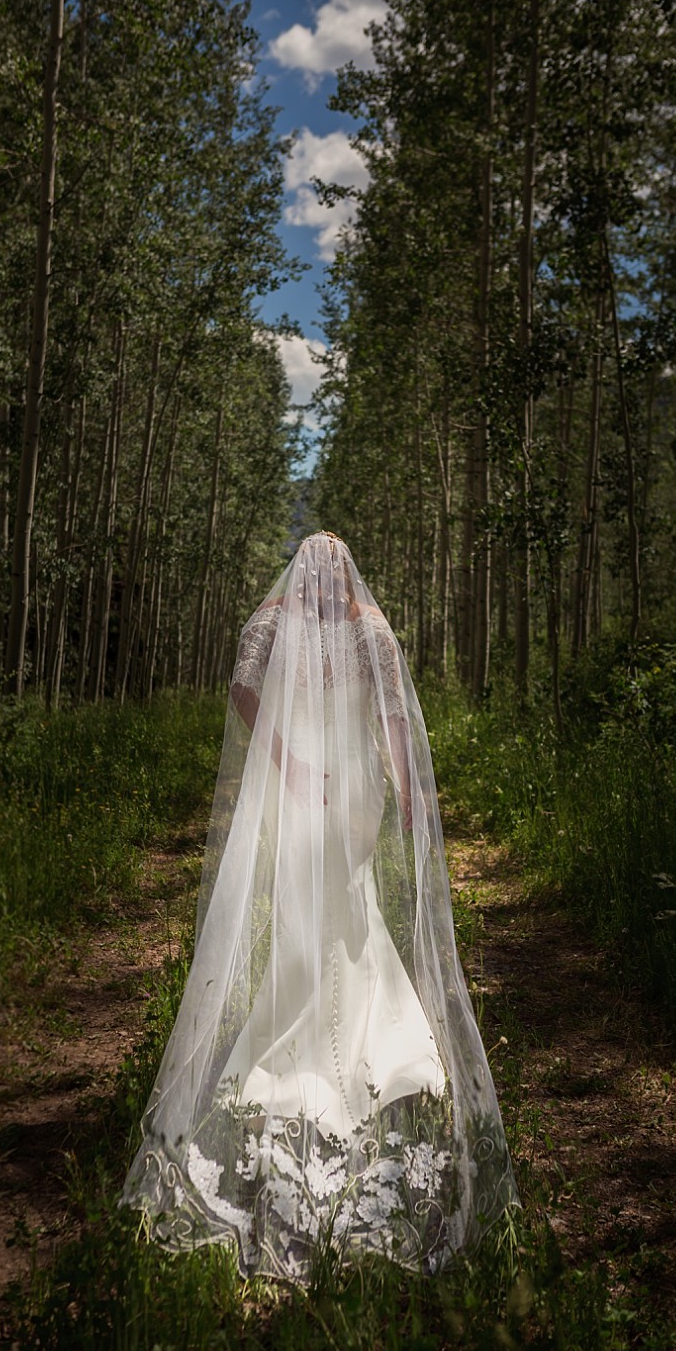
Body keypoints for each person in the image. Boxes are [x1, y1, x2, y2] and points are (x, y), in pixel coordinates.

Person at [121, 532, 518, 1281]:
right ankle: (370, 1037)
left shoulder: (276, 624)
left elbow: (247, 689)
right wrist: (399, 783)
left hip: (313, 791)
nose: (327, 582)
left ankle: (305, 1033)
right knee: (341, 909)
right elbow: (394, 713)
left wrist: (290, 761)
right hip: (340, 788)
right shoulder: (364, 626)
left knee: (327, 909)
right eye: (327, 570)